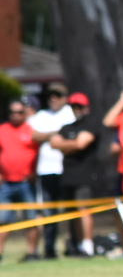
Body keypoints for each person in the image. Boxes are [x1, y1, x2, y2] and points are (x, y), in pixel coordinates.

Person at [51, 92, 109, 257]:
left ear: (86, 107)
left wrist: (66, 145)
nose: (77, 109)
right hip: (68, 176)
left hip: (85, 175)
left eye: (79, 106)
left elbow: (81, 144)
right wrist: (72, 144)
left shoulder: (91, 124)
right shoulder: (67, 127)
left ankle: (87, 245)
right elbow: (54, 143)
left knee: (84, 211)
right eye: (74, 106)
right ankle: (75, 244)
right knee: (71, 213)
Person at [27, 84, 73, 259]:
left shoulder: (69, 112)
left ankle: (72, 246)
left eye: (58, 95)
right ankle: (49, 248)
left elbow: (73, 133)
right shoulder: (41, 116)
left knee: (70, 211)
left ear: (65, 97)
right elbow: (33, 135)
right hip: (45, 171)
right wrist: (58, 133)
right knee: (48, 212)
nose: (53, 98)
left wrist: (49, 135)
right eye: (51, 95)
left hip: (67, 170)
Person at [0, 97, 42, 264]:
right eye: (13, 112)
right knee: (3, 220)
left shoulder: (32, 130)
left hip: (27, 183)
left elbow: (44, 149)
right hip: (6, 184)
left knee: (31, 219)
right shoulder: (2, 130)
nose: (16, 115)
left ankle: (32, 253)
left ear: (25, 113)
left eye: (20, 112)